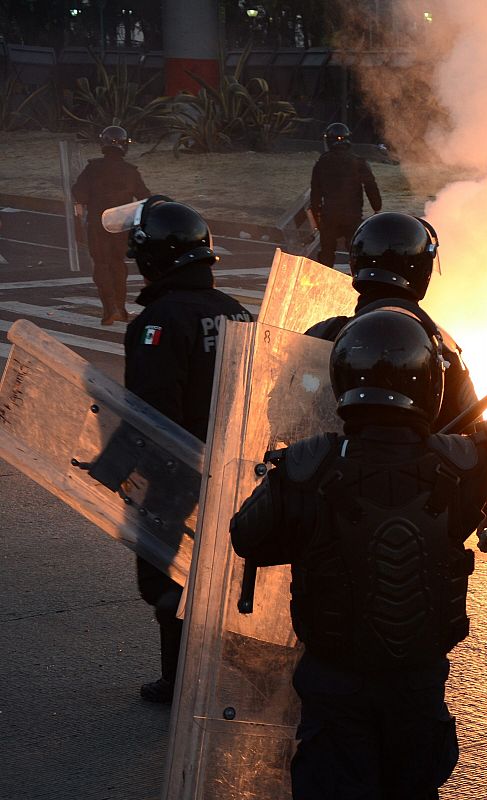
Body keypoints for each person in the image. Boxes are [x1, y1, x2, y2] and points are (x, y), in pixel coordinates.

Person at [230, 302, 487, 798]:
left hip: (334, 684)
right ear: (428, 383)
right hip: (415, 684)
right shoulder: (466, 462)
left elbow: (248, 539)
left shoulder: (307, 466)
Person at [112, 196, 252, 703]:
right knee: (225, 571)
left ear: (153, 258)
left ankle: (180, 681)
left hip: (178, 474)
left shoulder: (159, 322)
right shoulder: (236, 313)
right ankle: (227, 673)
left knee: (169, 577)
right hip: (238, 468)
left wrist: (114, 470)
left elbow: (149, 413)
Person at [306, 211, 487, 553]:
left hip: (331, 511)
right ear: (420, 268)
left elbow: (280, 418)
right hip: (419, 516)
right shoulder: (440, 347)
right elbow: (473, 432)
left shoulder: (322, 337)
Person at [72, 125, 150, 326]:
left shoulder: (93, 168)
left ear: (103, 144)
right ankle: (121, 308)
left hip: (98, 224)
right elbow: (145, 196)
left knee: (101, 264)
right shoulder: (130, 171)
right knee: (118, 264)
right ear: (125, 145)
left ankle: (109, 309)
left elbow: (79, 194)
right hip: (122, 225)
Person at [310, 122, 382, 268]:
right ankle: (359, 281)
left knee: (327, 254)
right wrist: (377, 207)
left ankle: (324, 284)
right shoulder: (358, 162)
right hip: (352, 215)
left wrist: (316, 216)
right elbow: (370, 185)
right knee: (355, 253)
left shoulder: (322, 162)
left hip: (329, 216)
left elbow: (315, 192)